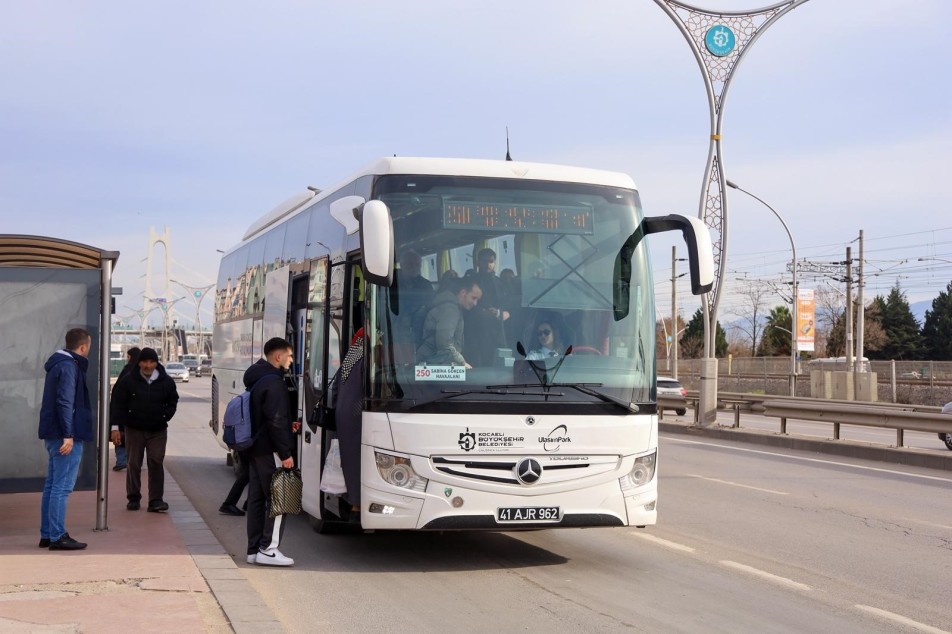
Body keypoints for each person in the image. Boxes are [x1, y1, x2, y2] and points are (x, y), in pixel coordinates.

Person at [244, 337, 301, 566]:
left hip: (256, 449)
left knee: (257, 499)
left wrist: (286, 426)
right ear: (278, 356)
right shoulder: (275, 383)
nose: (291, 360)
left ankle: (253, 550)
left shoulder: (256, 377)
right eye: (289, 356)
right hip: (271, 450)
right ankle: (268, 549)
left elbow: (266, 416)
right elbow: (275, 420)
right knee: (281, 498)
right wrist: (285, 453)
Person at [38, 328, 94, 551]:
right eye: (88, 346)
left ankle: (47, 534)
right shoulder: (70, 367)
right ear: (83, 347)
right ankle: (58, 536)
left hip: (53, 433)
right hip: (65, 436)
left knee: (52, 485)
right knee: (61, 488)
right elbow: (65, 402)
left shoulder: (58, 364)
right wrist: (68, 435)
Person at [110, 347, 179, 513]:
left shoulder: (166, 381)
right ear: (139, 362)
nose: (148, 365)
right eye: (145, 362)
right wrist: (115, 428)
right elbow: (118, 404)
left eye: (151, 362)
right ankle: (133, 497)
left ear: (156, 363)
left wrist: (164, 416)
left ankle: (156, 500)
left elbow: (173, 401)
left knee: (156, 461)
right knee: (133, 463)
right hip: (134, 429)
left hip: (158, 430)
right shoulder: (129, 381)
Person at [332, 328, 366, 516]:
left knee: (349, 459)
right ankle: (357, 502)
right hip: (357, 416)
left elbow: (336, 389)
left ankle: (353, 501)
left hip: (343, 415)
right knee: (358, 461)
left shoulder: (349, 359)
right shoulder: (367, 359)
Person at [417, 277, 482, 368]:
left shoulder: (452, 308)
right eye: (473, 298)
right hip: (432, 364)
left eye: (477, 300)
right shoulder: (450, 310)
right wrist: (462, 363)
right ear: (463, 292)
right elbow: (444, 344)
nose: (475, 303)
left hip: (433, 362)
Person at [464, 248, 512, 366]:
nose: (488, 264)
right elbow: (464, 306)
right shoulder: (469, 282)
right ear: (478, 262)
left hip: (498, 331)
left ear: (495, 263)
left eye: (491, 261)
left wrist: (502, 313)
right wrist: (480, 312)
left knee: (499, 365)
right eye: (484, 261)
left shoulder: (501, 283)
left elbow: (509, 307)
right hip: (475, 331)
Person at [109, 346, 140, 472]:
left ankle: (121, 460)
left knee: (119, 435)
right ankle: (135, 462)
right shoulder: (141, 371)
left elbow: (117, 391)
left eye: (128, 357)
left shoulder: (126, 371)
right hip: (137, 412)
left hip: (123, 411)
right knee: (136, 438)